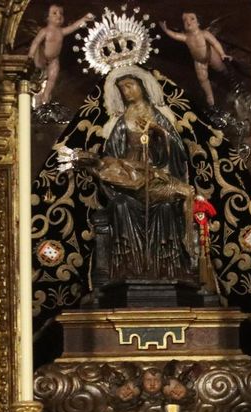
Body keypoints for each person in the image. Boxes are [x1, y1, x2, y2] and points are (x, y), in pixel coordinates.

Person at [79, 67, 199, 282]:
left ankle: (166, 268)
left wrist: (158, 133)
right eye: (122, 88)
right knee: (121, 205)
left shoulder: (159, 118)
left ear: (142, 86)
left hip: (157, 179)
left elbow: (179, 154)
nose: (126, 92)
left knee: (164, 207)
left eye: (130, 85)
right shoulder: (121, 123)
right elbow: (110, 158)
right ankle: (127, 268)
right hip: (130, 183)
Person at [25, 5, 93, 104]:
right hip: (42, 58)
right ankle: (37, 93)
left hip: (54, 60)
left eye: (61, 13)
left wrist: (84, 19)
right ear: (47, 18)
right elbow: (36, 42)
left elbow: (73, 27)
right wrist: (30, 55)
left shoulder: (61, 31)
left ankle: (46, 96)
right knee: (38, 75)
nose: (59, 15)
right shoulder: (44, 31)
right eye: (54, 13)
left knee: (52, 77)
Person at [160, 13, 228, 108]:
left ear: (198, 23)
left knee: (220, 67)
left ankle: (226, 74)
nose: (188, 22)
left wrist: (222, 53)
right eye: (185, 20)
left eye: (192, 19)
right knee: (202, 79)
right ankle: (210, 95)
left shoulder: (205, 33)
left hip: (211, 55)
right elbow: (175, 35)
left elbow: (215, 43)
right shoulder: (186, 37)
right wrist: (166, 30)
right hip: (199, 61)